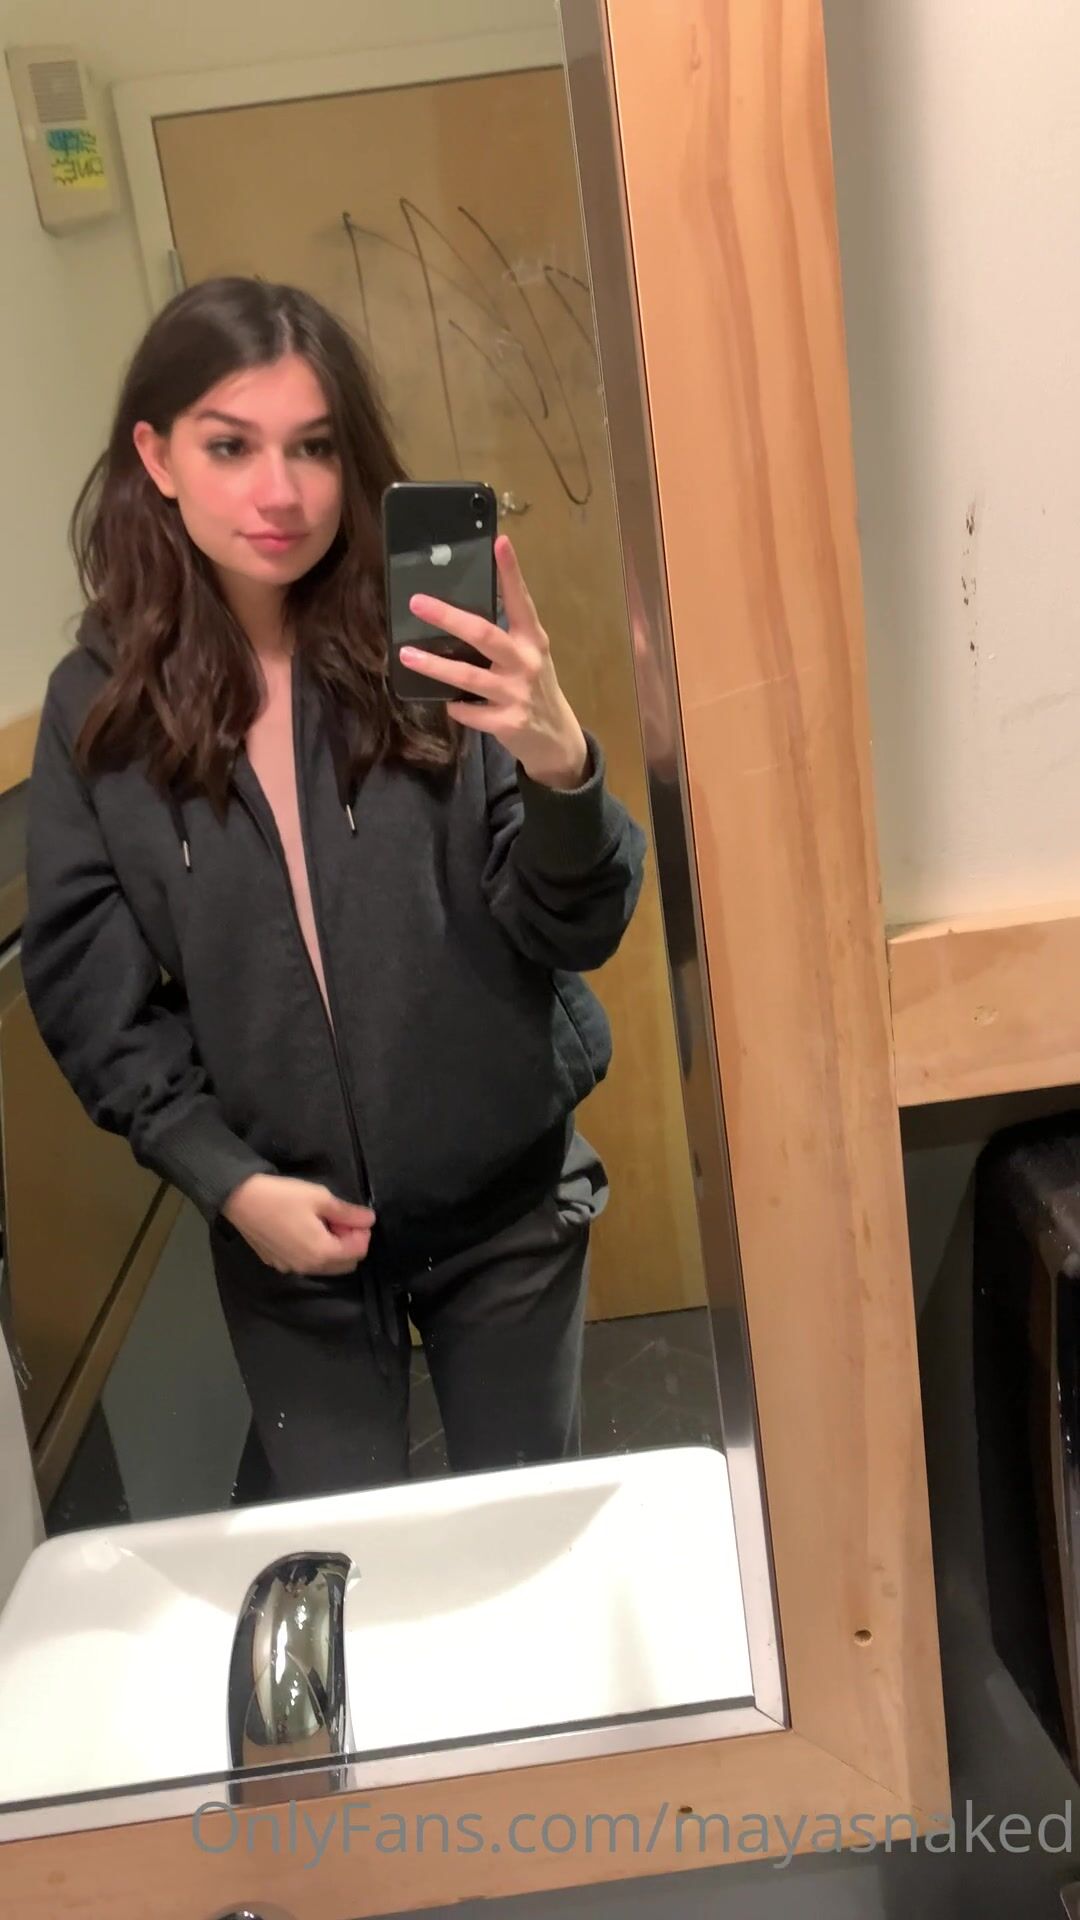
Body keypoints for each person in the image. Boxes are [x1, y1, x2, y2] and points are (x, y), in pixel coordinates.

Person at [22, 277, 646, 1501]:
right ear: (156, 456)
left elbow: (580, 922)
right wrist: (226, 1177)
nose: (282, 493)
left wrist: (561, 766)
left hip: (507, 1212)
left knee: (519, 1534)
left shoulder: (432, 643)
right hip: (283, 1233)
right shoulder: (99, 708)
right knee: (342, 1553)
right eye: (231, 446)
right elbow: (93, 1001)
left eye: (313, 447)